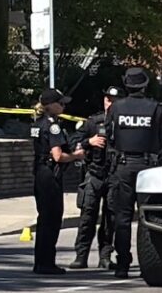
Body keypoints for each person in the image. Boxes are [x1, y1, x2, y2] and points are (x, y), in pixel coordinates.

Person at [104, 66, 162, 279]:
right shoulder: (156, 108)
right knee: (148, 217)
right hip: (148, 167)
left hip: (122, 166)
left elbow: (110, 138)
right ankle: (148, 263)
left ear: (126, 85)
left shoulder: (116, 108)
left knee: (122, 218)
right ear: (145, 84)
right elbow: (161, 141)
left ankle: (122, 264)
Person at [30, 89, 82, 275]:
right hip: (50, 174)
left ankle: (41, 261)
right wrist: (76, 156)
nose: (63, 106)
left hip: (40, 172)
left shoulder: (38, 122)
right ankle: (46, 263)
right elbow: (58, 156)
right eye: (60, 103)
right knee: (51, 219)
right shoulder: (53, 126)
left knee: (44, 218)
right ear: (50, 105)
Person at [70, 85, 119, 270]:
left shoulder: (123, 124)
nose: (111, 104)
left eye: (114, 101)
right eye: (108, 100)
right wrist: (88, 142)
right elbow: (73, 142)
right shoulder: (92, 122)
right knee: (87, 215)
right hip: (94, 173)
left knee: (110, 218)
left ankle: (105, 257)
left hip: (113, 175)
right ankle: (81, 256)